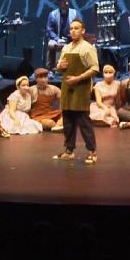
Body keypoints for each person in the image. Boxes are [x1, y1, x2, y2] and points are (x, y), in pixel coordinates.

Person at [54, 18, 99, 164]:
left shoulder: (87, 48)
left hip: (81, 87)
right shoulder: (66, 48)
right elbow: (59, 69)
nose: (73, 31)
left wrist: (78, 78)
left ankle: (92, 151)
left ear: (83, 31)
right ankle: (69, 150)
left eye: (76, 28)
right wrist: (60, 67)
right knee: (68, 121)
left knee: (83, 121)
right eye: (71, 28)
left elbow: (94, 68)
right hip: (67, 86)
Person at [45, 0, 81, 68]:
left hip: (72, 39)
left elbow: (80, 26)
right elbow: (49, 29)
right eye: (64, 1)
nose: (67, 3)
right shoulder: (53, 14)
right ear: (59, 2)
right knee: (51, 45)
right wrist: (57, 39)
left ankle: (76, 67)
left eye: (67, 0)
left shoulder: (75, 13)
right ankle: (51, 68)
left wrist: (73, 36)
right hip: (57, 39)